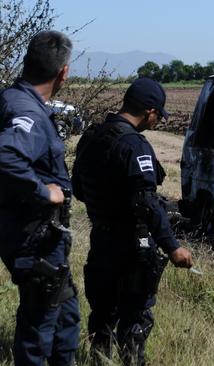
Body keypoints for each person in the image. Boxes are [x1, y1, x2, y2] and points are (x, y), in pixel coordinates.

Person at [72, 77, 193, 365]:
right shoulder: (134, 146)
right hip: (131, 247)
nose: (157, 123)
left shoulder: (92, 137)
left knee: (101, 315)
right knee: (135, 319)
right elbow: (147, 204)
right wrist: (173, 247)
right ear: (150, 111)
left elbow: (78, 188)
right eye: (157, 116)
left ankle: (99, 361)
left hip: (100, 239)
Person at [0, 31, 80, 365]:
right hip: (35, 238)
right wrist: (43, 190)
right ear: (63, 72)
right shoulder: (28, 113)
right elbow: (5, 154)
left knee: (65, 317)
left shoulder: (12, 99)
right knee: (39, 330)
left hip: (34, 235)